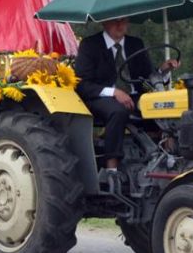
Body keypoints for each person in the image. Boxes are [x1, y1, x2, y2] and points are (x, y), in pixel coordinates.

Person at [75, 17, 179, 174]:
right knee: (118, 111)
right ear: (104, 22)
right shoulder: (90, 45)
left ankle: (170, 158)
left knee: (164, 106)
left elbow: (146, 80)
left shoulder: (135, 44)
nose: (120, 25)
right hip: (101, 96)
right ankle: (112, 169)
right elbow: (82, 84)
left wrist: (162, 71)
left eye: (123, 21)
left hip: (134, 96)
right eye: (115, 21)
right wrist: (114, 92)